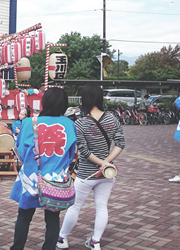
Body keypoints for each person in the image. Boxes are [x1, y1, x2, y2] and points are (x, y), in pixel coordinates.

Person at [57, 83, 125, 250]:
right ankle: (95, 241)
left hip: (86, 173)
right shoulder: (112, 118)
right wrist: (106, 162)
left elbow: (84, 151)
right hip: (107, 174)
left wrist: (100, 163)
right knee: (101, 207)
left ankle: (62, 239)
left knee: (75, 206)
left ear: (84, 99)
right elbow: (120, 143)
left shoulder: (80, 123)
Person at [9, 87, 77, 250]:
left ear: (44, 102)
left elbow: (23, 153)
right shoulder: (69, 124)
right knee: (53, 220)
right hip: (56, 179)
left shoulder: (28, 123)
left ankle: (17, 247)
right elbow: (71, 155)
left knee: (24, 217)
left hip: (31, 179)